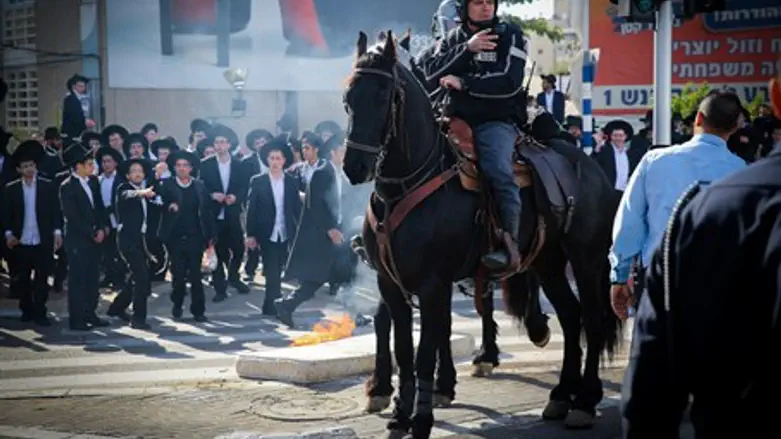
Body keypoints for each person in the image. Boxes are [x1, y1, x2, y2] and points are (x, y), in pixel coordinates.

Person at [620, 146, 781, 439]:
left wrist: (619, 274)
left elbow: (649, 397)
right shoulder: (736, 166)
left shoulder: (702, 204)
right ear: (735, 126)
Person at [609, 92, 747, 318]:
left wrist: (620, 275)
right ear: (735, 127)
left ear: (699, 119)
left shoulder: (654, 161)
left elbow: (630, 223)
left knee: (657, 351)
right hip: (722, 279)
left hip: (662, 275)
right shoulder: (743, 171)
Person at [416, 0, 528, 275]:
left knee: (498, 172)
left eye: (490, 2)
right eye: (478, 2)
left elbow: (509, 81)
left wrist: (464, 82)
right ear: (464, 8)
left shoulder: (511, 35)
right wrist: (467, 50)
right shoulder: (452, 39)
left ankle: (508, 245)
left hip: (494, 122)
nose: (486, 8)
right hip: (451, 119)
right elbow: (430, 74)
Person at [2, 140, 62, 326]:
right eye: (25, 166)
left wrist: (57, 232)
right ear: (19, 169)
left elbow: (56, 211)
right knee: (22, 278)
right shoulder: (11, 189)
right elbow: (5, 214)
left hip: (42, 238)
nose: (29, 169)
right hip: (21, 240)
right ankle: (26, 309)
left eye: (31, 165)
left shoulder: (47, 186)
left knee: (42, 278)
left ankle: (40, 311)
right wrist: (8, 234)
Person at [245, 137, 302, 316]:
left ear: (284, 160)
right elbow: (251, 209)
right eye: (272, 158)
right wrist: (250, 234)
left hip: (285, 232)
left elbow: (296, 209)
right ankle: (274, 305)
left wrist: (302, 231)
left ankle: (271, 305)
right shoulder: (258, 181)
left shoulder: (292, 181)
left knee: (279, 268)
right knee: (272, 271)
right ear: (267, 160)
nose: (275, 162)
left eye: (279, 158)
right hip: (266, 232)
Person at [158, 150, 214, 322]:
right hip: (175, 237)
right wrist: (169, 207)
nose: (182, 169)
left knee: (196, 276)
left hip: (196, 236)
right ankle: (177, 304)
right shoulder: (167, 184)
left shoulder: (199, 185)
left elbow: (206, 212)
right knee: (178, 275)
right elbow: (158, 203)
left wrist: (211, 237)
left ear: (191, 168)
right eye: (179, 166)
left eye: (185, 166)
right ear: (174, 168)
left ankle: (198, 311)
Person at [60, 142, 110, 331]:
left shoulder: (93, 181)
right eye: (88, 164)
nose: (92, 167)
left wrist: (103, 226)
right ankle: (77, 318)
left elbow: (99, 207)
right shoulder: (67, 186)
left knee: (93, 278)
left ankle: (91, 312)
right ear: (78, 166)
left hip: (95, 238)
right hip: (78, 240)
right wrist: (91, 233)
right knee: (78, 280)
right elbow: (72, 217)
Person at [106, 158, 160, 329]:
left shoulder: (146, 191)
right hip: (127, 239)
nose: (137, 173)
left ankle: (116, 307)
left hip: (140, 239)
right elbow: (126, 195)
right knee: (142, 278)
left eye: (140, 171)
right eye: (133, 171)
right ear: (128, 175)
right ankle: (138, 319)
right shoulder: (124, 188)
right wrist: (141, 193)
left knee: (137, 275)